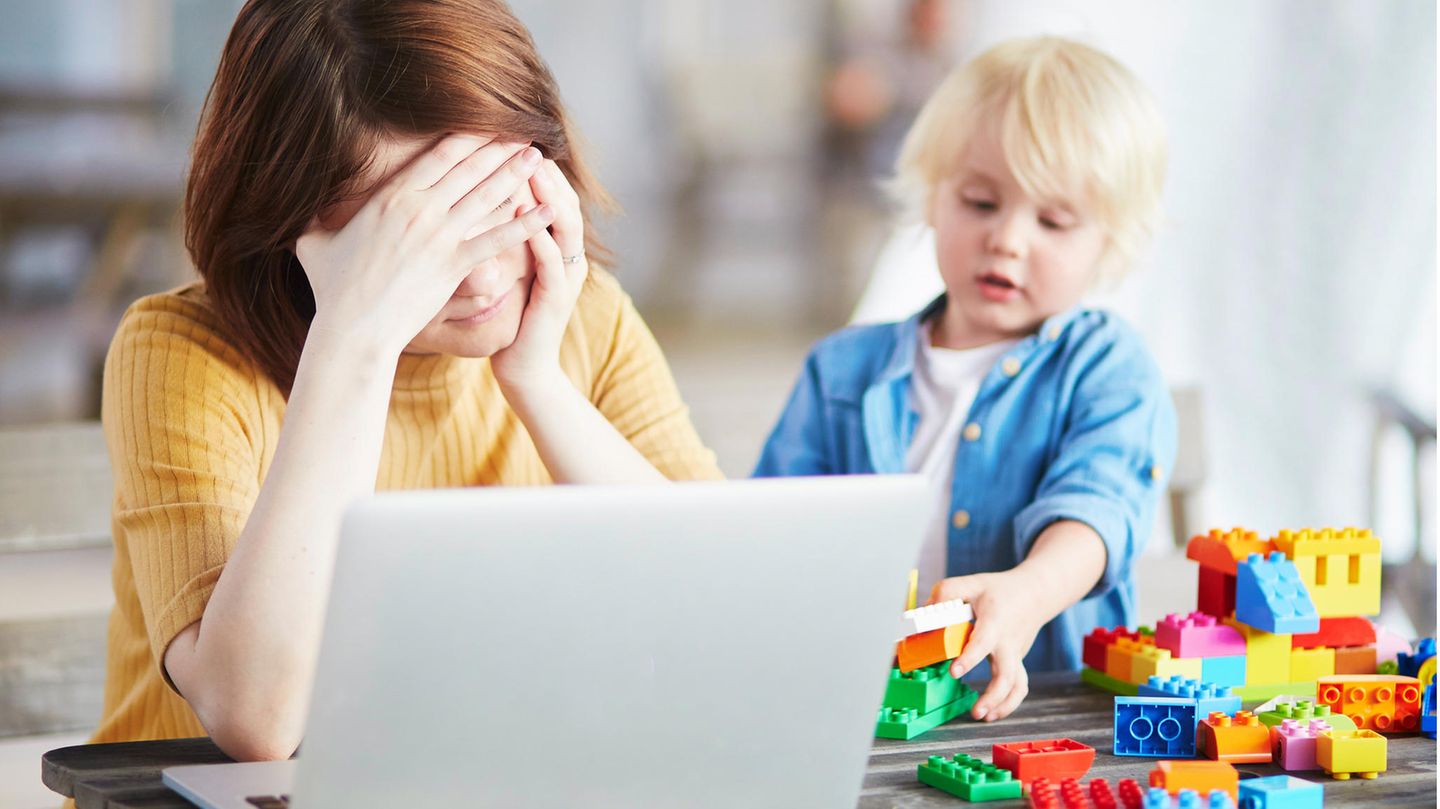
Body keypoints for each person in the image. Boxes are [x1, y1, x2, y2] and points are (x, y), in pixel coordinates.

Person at [92, 0, 720, 762]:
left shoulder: (585, 322)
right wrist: (354, 339)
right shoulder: (182, 353)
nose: (482, 276)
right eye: (419, 234)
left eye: (496, 203)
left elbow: (715, 612)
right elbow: (257, 716)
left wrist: (538, 383)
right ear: (297, 227)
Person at [755, 36, 1176, 722]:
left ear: (1109, 242)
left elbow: (1098, 510)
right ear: (933, 198)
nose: (1007, 239)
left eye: (1053, 220)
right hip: (867, 706)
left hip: (1041, 713)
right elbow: (772, 533)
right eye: (981, 202)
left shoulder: (1107, 367)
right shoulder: (839, 370)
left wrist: (1030, 591)